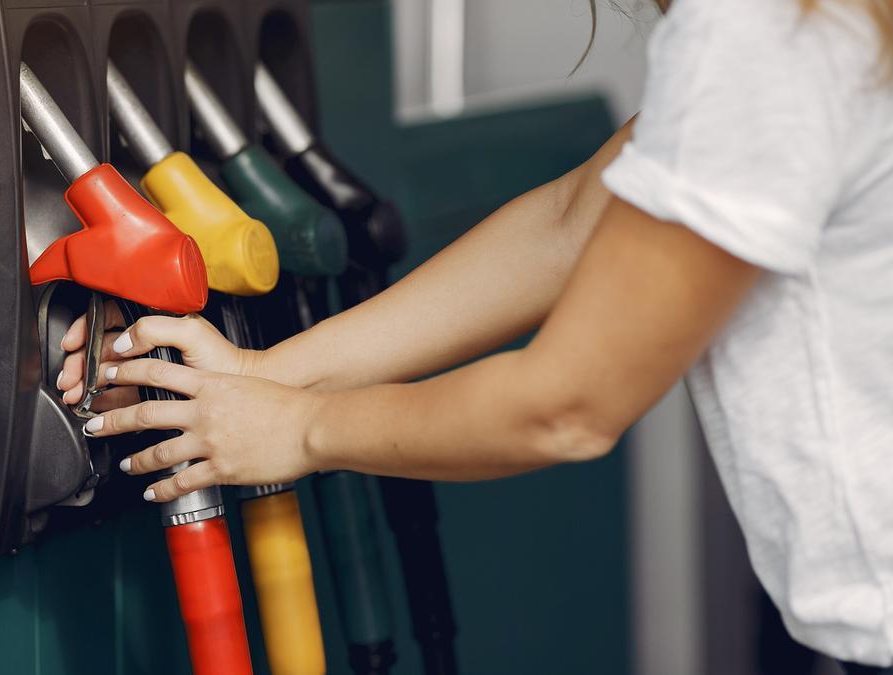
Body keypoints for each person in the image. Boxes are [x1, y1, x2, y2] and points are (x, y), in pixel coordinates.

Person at [54, 0, 893, 671]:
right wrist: (264, 373)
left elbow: (565, 406)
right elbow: (572, 222)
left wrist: (298, 429)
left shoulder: (767, 37)